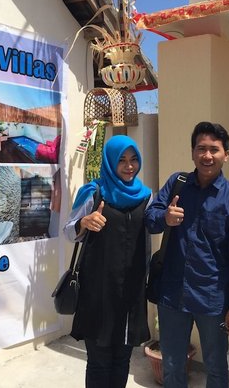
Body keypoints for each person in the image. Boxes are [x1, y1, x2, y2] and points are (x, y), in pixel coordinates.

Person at [145, 121, 229, 388]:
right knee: (172, 366)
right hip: (172, 295)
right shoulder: (177, 184)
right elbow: (150, 219)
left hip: (212, 299)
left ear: (226, 155)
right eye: (201, 149)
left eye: (214, 149)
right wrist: (164, 217)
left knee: (216, 367)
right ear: (192, 152)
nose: (207, 155)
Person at [63, 135, 152, 388]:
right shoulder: (93, 192)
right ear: (110, 162)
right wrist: (84, 222)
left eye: (134, 159)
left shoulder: (146, 196)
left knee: (122, 359)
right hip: (98, 291)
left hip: (131, 293)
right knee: (99, 361)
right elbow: (68, 232)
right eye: (121, 160)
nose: (129, 166)